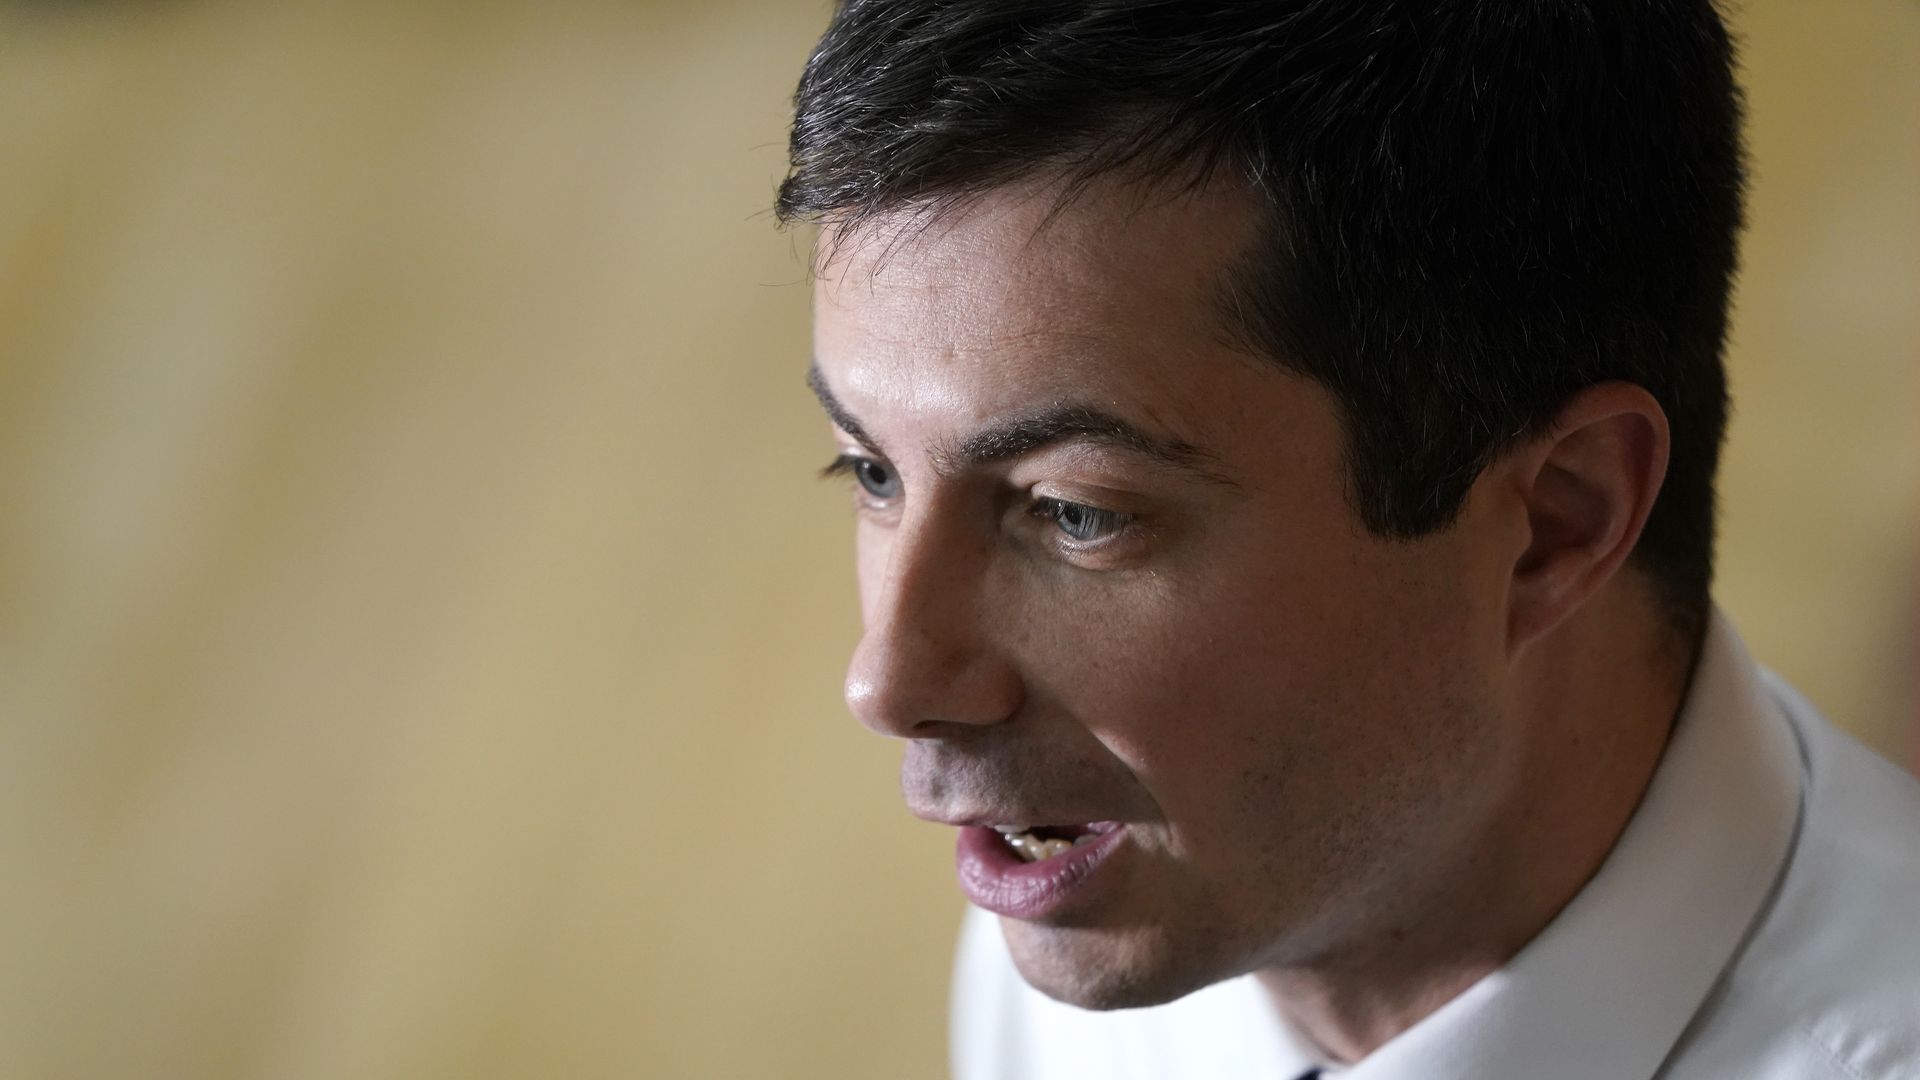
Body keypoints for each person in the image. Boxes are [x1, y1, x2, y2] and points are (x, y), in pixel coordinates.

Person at [776, 2, 1920, 1077]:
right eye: (872, 469)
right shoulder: (1081, 900)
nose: (891, 681)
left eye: (1078, 511)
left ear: (1558, 523)